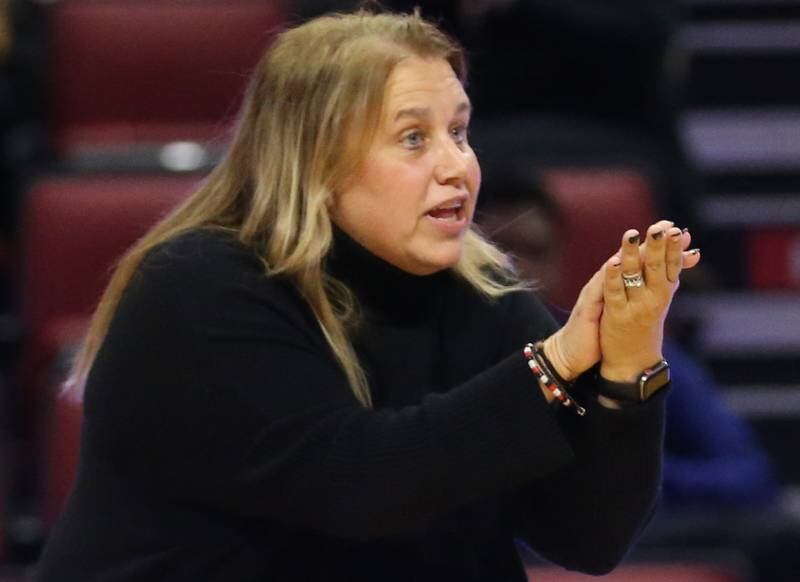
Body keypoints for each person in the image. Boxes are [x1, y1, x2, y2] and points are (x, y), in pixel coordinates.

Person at [34, 10, 700, 582]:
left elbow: (588, 538)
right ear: (316, 162)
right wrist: (553, 365)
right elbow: (360, 485)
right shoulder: (200, 287)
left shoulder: (478, 292)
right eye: (414, 138)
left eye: (459, 131)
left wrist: (626, 369)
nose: (456, 166)